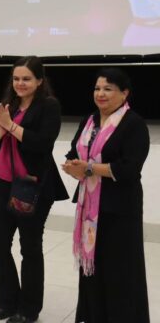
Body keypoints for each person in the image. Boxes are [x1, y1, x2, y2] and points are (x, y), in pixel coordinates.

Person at [0, 56, 68, 323]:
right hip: (4, 183)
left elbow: (42, 144)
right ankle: (8, 301)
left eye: (26, 79)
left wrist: (11, 126)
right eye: (16, 78)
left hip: (32, 186)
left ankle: (29, 309)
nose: (20, 83)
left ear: (39, 81)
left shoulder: (49, 106)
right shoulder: (9, 104)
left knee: (29, 249)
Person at [62, 68, 150, 323]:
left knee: (119, 270)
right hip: (90, 207)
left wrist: (89, 168)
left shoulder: (133, 124)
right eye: (97, 88)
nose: (100, 93)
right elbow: (74, 153)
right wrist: (72, 166)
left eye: (108, 89)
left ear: (124, 93)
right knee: (93, 269)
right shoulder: (89, 121)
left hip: (119, 209)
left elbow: (129, 169)